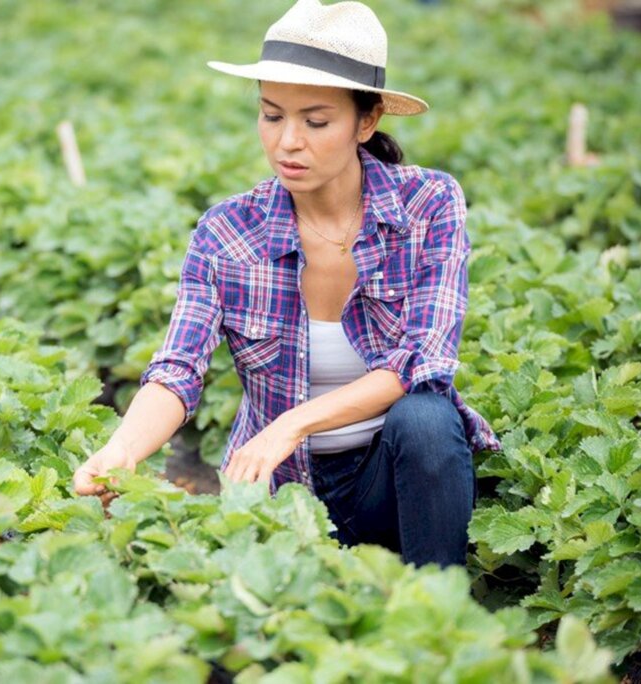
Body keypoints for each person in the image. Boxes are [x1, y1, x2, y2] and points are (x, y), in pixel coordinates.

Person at [73, 0, 500, 568]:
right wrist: (122, 449)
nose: (288, 142)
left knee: (425, 416)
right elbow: (178, 368)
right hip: (280, 491)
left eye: (315, 121)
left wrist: (291, 424)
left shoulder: (430, 205)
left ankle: (439, 611)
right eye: (272, 116)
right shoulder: (228, 232)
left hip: (392, 487)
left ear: (366, 121)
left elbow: (421, 361)